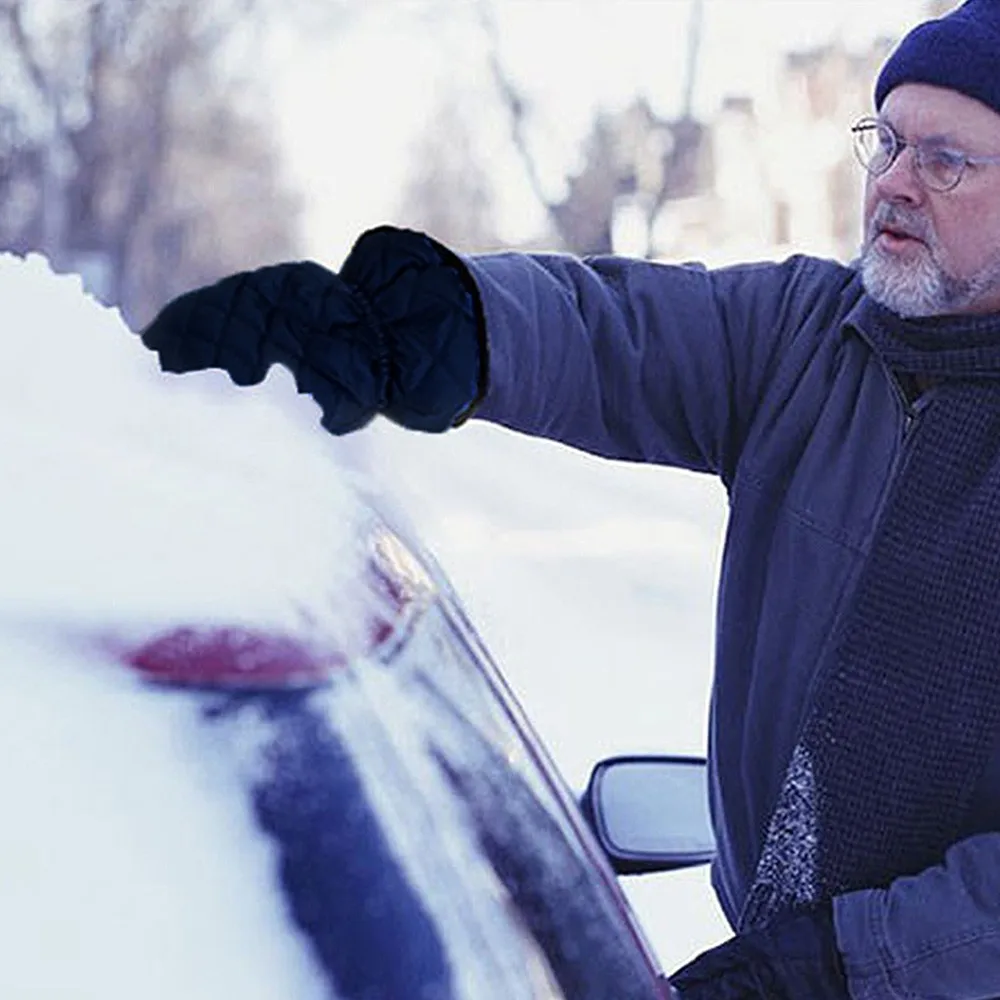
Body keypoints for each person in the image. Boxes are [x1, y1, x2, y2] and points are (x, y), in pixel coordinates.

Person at [141, 1, 1000, 997]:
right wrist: (417, 328)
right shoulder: (807, 337)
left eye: (944, 159)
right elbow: (610, 329)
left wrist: (834, 966)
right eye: (885, 142)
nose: (891, 182)